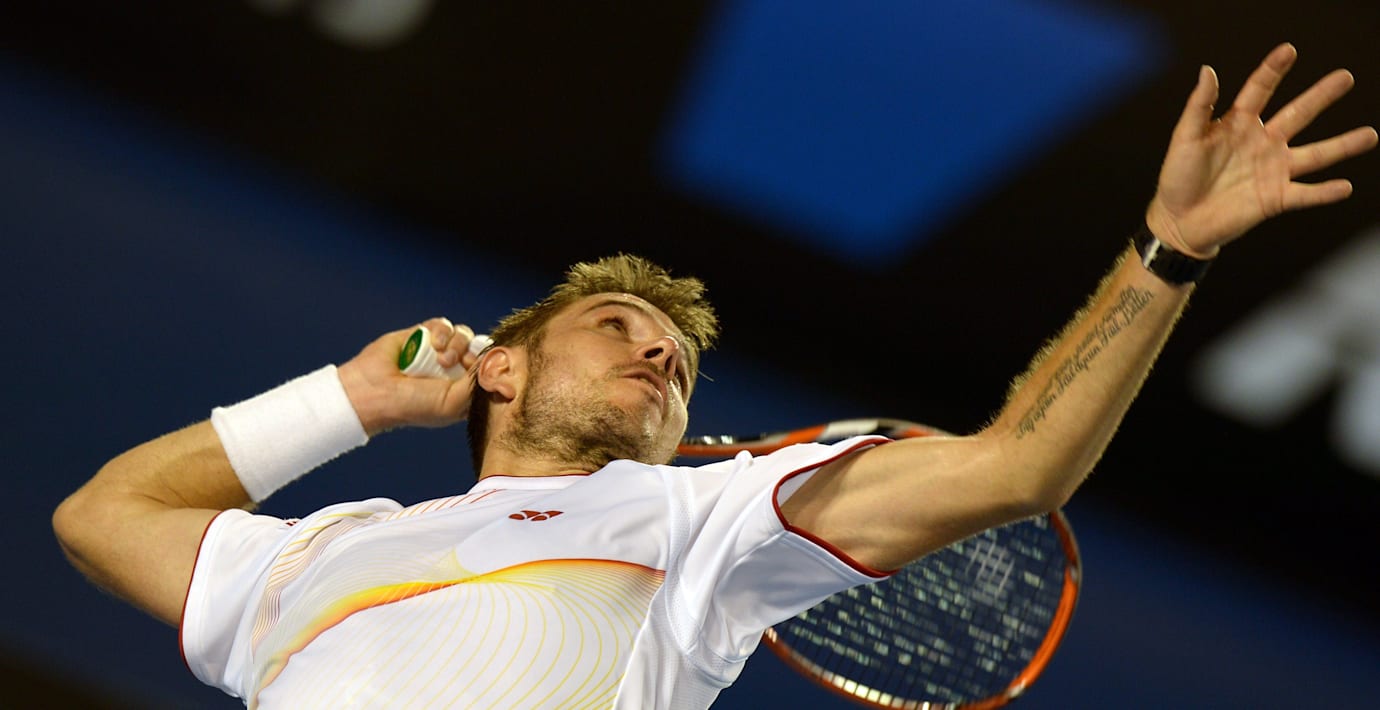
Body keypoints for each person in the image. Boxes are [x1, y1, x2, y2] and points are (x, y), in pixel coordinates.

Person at [54, 43, 1375, 708]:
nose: (657, 353)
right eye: (620, 325)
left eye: (678, 363)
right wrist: (350, 400)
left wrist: (1167, 250)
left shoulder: (710, 519)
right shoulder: (327, 548)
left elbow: (1016, 467)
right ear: (499, 368)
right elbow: (103, 515)